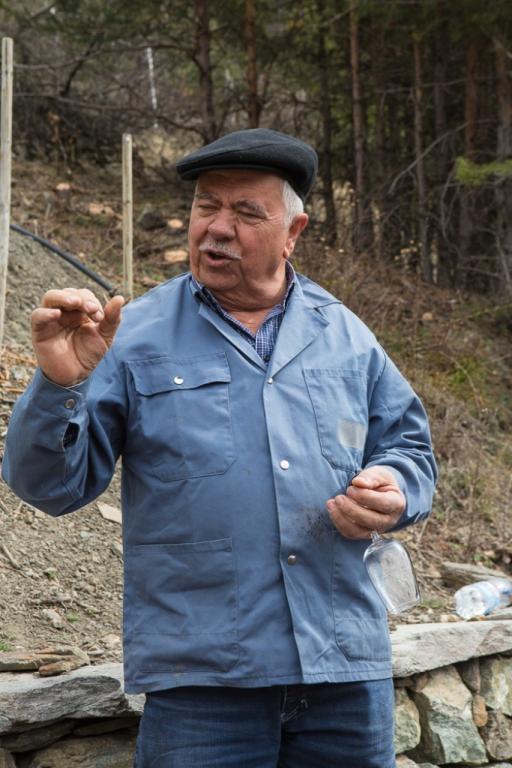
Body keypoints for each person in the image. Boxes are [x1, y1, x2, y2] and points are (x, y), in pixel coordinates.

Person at [2, 128, 437, 768]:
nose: (218, 227)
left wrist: (397, 487)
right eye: (207, 205)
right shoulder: (135, 336)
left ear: (293, 232)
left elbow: (409, 446)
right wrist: (59, 386)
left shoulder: (344, 335)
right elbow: (48, 487)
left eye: (246, 212)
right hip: (203, 683)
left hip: (343, 670)